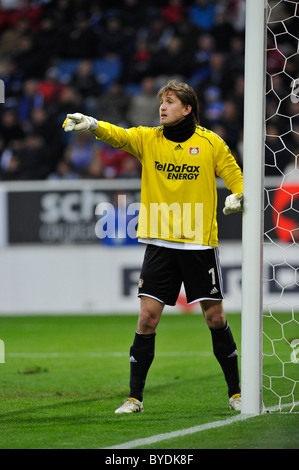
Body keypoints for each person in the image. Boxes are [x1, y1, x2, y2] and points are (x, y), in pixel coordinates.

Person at [63, 80, 244, 414]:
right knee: (147, 319)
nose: (162, 107)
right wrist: (91, 124)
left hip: (199, 243)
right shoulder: (148, 139)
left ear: (187, 109)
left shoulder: (210, 143)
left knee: (215, 317)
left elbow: (234, 174)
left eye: (170, 101)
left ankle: (236, 393)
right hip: (159, 244)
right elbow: (118, 135)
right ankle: (134, 398)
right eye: (162, 101)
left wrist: (238, 194)